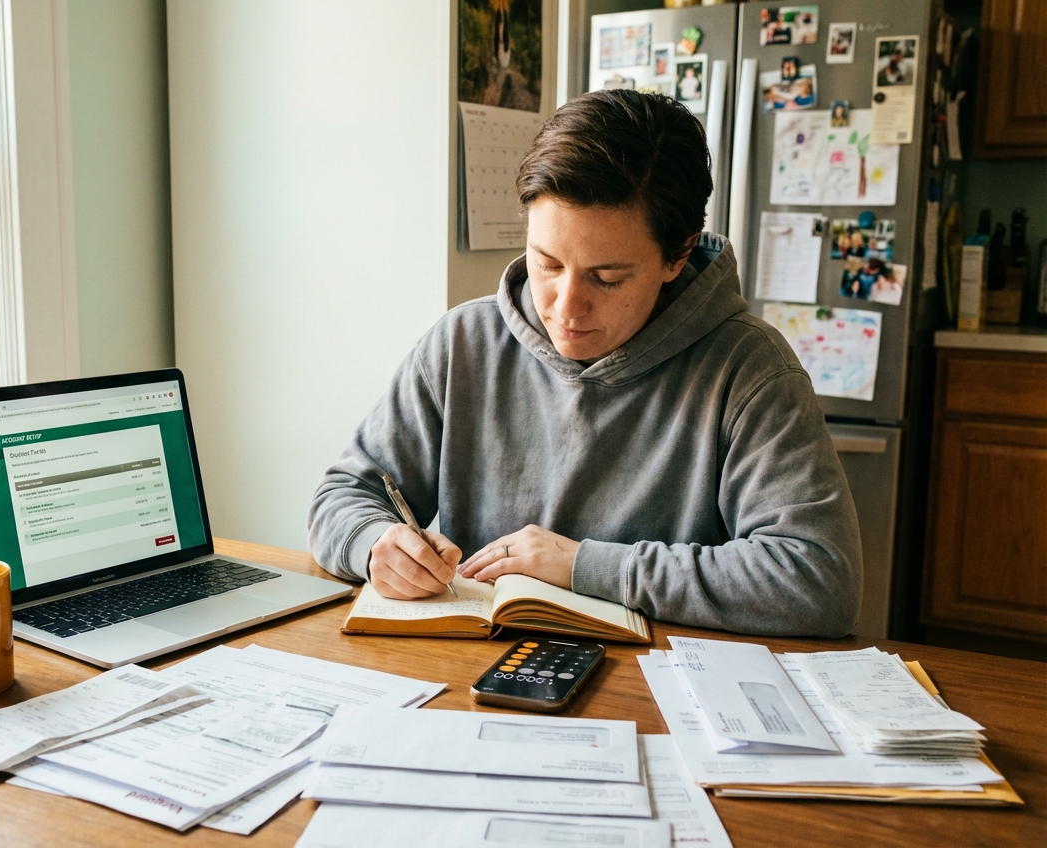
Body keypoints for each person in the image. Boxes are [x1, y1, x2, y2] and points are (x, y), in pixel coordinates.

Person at [308, 90, 862, 638]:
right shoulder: (462, 343)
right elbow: (342, 495)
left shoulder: (750, 370)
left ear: (679, 254)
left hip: (656, 695)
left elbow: (817, 579)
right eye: (547, 263)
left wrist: (581, 566)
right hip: (471, 678)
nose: (565, 308)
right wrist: (373, 542)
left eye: (607, 278)